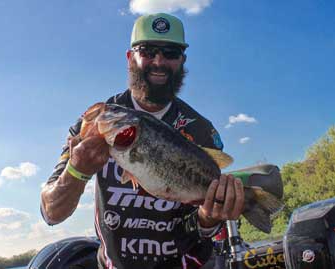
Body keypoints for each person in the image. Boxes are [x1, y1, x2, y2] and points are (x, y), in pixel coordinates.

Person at [41, 13, 244, 269]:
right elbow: (51, 212)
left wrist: (208, 217)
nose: (159, 61)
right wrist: (77, 171)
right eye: (147, 51)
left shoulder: (201, 131)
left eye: (170, 52)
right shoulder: (95, 122)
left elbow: (201, 230)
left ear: (182, 61)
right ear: (130, 58)